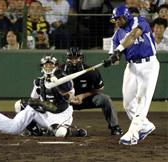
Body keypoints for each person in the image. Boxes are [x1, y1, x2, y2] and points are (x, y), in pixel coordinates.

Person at [104, 5, 160, 145]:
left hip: (149, 65)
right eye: (115, 19)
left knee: (142, 101)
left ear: (127, 16)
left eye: (118, 18)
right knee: (128, 103)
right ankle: (146, 126)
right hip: (132, 67)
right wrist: (112, 59)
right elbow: (116, 58)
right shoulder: (117, 34)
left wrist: (119, 49)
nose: (116, 21)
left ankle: (133, 134)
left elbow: (134, 35)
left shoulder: (139, 21)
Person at [15, 55, 87, 137]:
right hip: (45, 113)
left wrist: (61, 88)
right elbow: (33, 100)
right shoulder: (38, 82)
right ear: (42, 67)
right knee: (19, 105)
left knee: (60, 133)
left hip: (60, 115)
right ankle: (36, 131)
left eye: (51, 65)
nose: (48, 67)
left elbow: (70, 96)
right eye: (46, 65)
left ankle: (75, 131)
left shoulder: (65, 81)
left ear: (56, 66)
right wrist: (40, 105)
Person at [61, 47, 123, 136]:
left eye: (76, 58)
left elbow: (99, 88)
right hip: (66, 101)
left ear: (81, 58)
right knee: (50, 102)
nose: (74, 61)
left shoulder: (90, 71)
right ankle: (49, 127)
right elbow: (54, 90)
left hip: (86, 99)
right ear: (66, 58)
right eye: (71, 58)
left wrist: (83, 96)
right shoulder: (59, 72)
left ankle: (115, 127)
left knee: (105, 99)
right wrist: (68, 97)